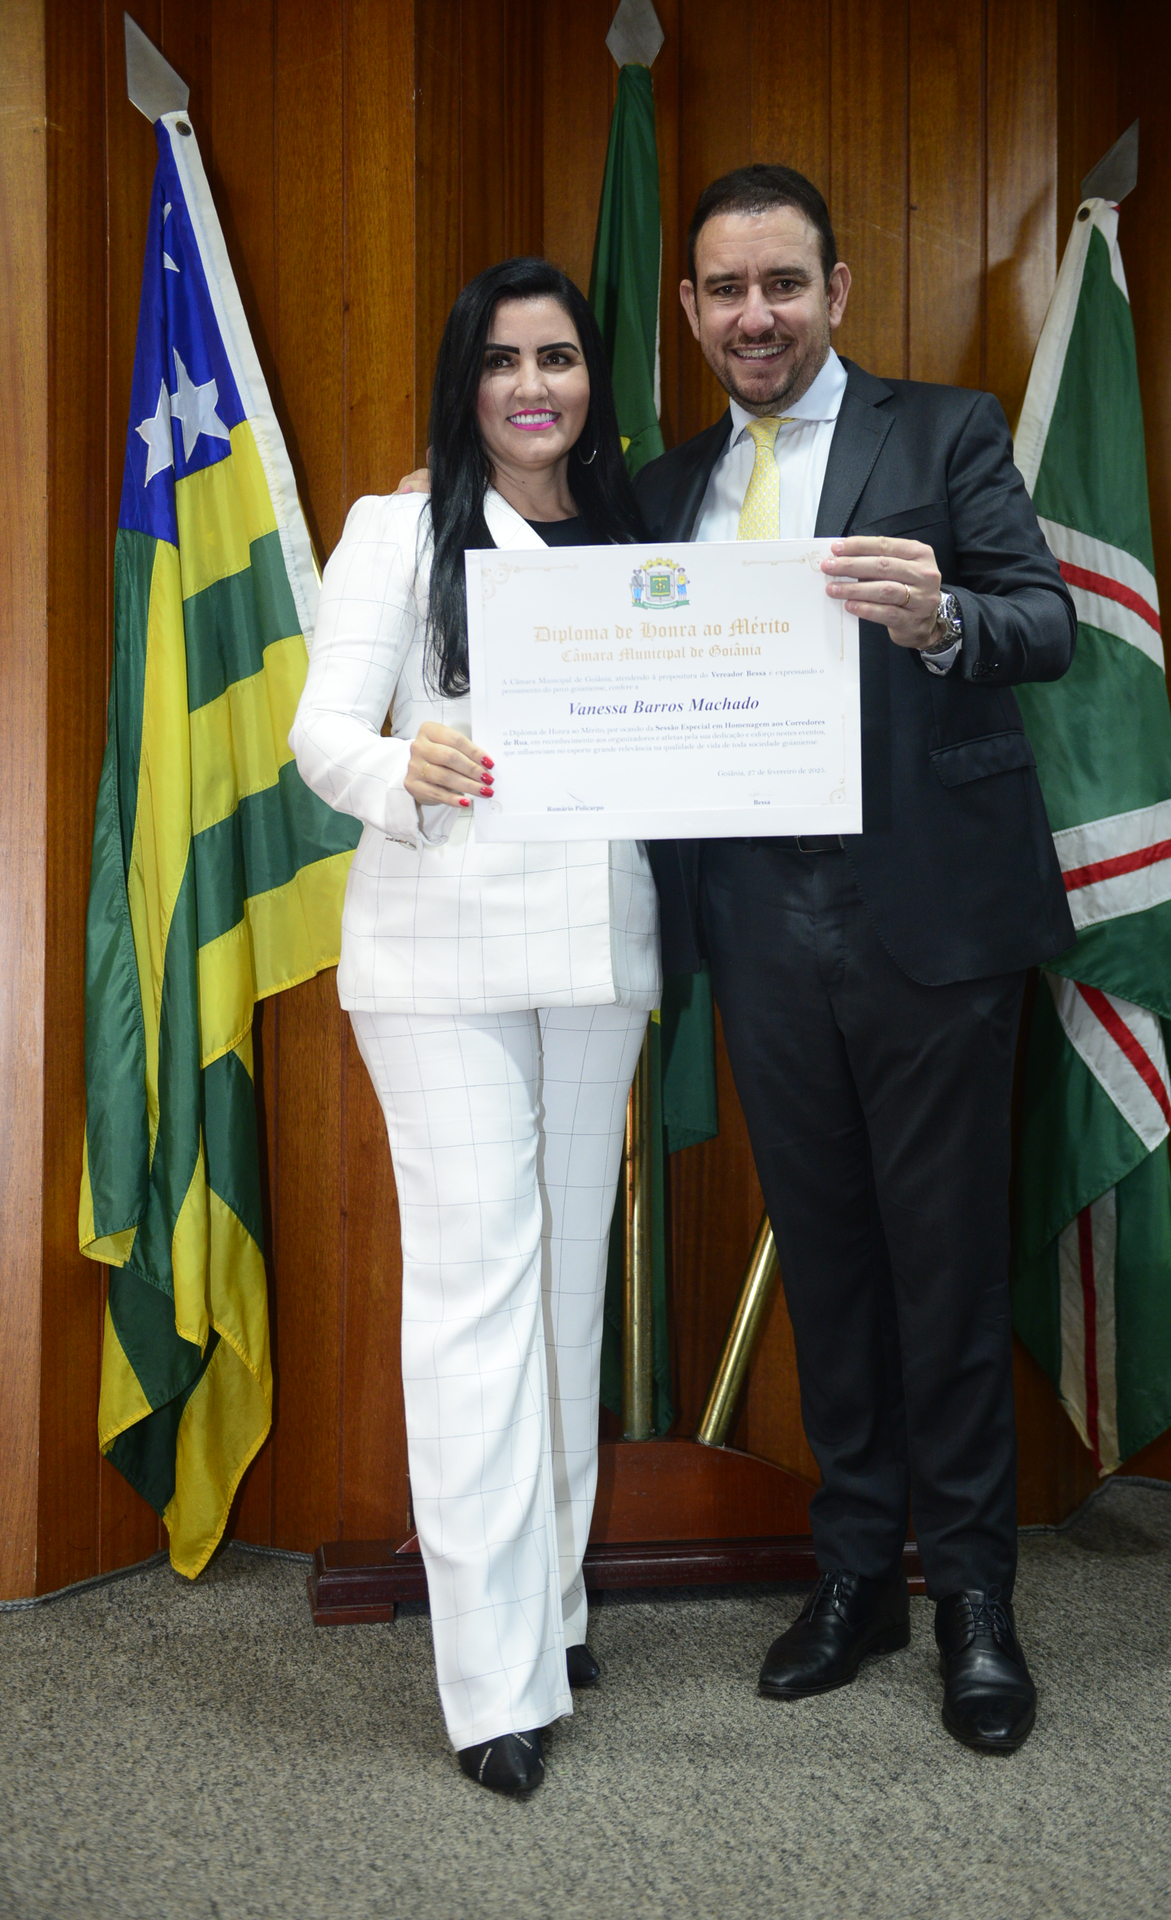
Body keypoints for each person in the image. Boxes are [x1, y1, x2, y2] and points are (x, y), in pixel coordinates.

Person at [634, 165, 1075, 1754]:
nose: (755, 316)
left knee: (944, 1269)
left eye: (783, 284)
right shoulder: (667, 486)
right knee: (825, 1263)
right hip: (757, 924)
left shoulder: (942, 433)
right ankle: (854, 1579)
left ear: (833, 291)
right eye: (725, 290)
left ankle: (972, 1600)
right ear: (690, 309)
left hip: (929, 920)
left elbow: (1046, 623)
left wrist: (945, 614)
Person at [291, 258, 660, 1796]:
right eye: (502, 360)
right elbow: (321, 733)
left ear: (591, 378)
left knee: (564, 1295)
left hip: (597, 955)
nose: (531, 386)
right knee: (471, 1296)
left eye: (557, 358)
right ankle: (490, 1681)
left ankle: (549, 1611)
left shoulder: (636, 535)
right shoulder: (397, 527)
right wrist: (403, 767)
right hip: (438, 957)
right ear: (466, 380)